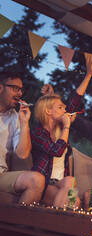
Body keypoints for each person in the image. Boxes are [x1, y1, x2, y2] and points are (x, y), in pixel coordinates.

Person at [30, 62, 92, 208]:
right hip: (43, 182)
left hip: (61, 184)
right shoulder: (37, 133)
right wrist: (67, 125)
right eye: (60, 107)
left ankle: (53, 224)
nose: (65, 109)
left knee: (72, 190)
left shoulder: (60, 127)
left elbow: (75, 100)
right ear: (48, 111)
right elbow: (57, 151)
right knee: (73, 194)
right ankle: (52, 224)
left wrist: (88, 75)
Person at [0, 71, 45, 204]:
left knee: (37, 180)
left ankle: (20, 225)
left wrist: (24, 122)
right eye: (15, 88)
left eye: (21, 90)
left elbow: (23, 153)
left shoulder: (16, 119)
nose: (19, 93)